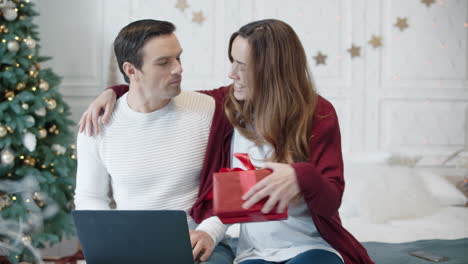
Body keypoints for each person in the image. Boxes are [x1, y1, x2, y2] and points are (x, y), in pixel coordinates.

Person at [80, 19, 374, 264]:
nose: (232, 73)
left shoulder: (313, 113)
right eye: (233, 61)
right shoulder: (229, 104)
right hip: (252, 250)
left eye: (242, 65)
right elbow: (149, 94)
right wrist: (115, 92)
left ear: (272, 69)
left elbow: (331, 196)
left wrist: (300, 176)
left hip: (308, 244)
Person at [74, 19, 235, 264]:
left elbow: (233, 184)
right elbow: (90, 196)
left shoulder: (209, 110)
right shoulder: (97, 124)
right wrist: (111, 242)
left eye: (178, 58)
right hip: (130, 247)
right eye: (164, 62)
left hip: (197, 246)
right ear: (131, 70)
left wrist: (209, 232)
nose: (178, 69)